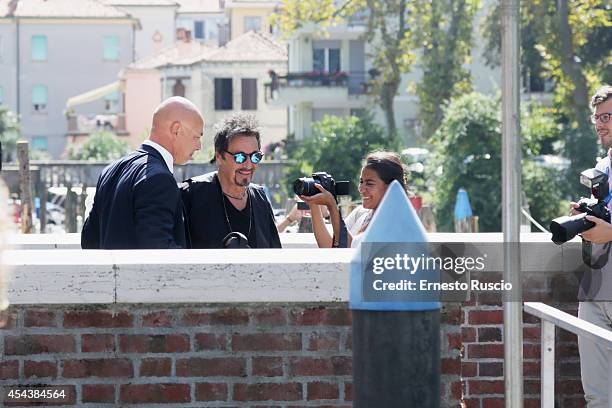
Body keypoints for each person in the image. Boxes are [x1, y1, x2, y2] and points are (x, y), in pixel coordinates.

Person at [81, 96, 203, 249]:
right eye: (196, 137)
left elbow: (89, 241)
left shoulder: (110, 170)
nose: (199, 146)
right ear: (176, 129)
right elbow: (159, 252)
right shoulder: (160, 179)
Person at [181, 113, 281, 248]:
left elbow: (273, 254)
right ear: (219, 157)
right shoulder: (191, 195)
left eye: (255, 157)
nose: (248, 164)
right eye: (240, 157)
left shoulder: (260, 198)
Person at [571, 84, 612, 407]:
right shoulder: (602, 166)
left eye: (608, 116)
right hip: (595, 289)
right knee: (597, 397)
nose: (600, 124)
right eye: (596, 117)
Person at [300, 151, 408, 248]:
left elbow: (348, 250)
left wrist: (332, 205)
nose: (361, 189)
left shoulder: (394, 223)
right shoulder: (361, 213)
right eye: (361, 182)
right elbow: (330, 246)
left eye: (369, 184)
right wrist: (313, 202)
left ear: (391, 187)